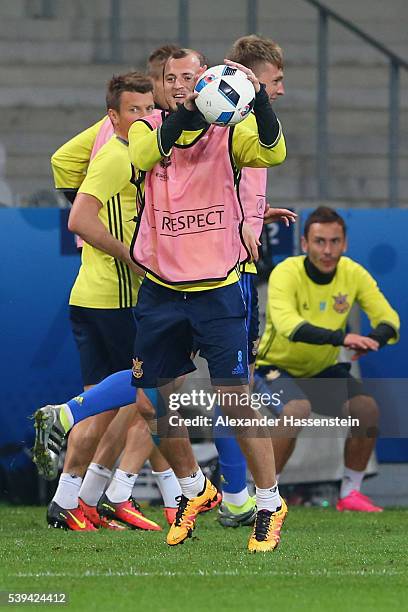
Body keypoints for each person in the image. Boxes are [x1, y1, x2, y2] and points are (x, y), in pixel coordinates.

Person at [34, 47, 288, 552]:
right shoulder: (146, 131)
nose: (180, 84)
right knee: (153, 405)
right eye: (172, 79)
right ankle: (195, 489)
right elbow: (149, 156)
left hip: (218, 286)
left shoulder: (231, 132)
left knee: (236, 400)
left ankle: (268, 502)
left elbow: (272, 151)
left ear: (208, 77)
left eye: (190, 76)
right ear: (161, 85)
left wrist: (258, 101)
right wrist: (193, 112)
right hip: (163, 291)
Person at [36, 72, 165, 531]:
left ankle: (71, 500)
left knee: (111, 403)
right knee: (148, 397)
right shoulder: (117, 155)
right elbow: (78, 219)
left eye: (150, 109)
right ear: (113, 116)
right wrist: (130, 256)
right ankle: (132, 492)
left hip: (93, 295)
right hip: (116, 299)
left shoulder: (131, 151)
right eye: (134, 110)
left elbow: (60, 162)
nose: (145, 118)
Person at [255, 206, 400, 512]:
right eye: (320, 241)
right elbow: (288, 325)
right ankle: (265, 497)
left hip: (321, 370)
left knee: (367, 410)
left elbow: (389, 319)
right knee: (296, 410)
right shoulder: (286, 272)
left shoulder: (353, 273)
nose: (328, 250)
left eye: (335, 241)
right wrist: (342, 338)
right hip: (274, 368)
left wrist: (375, 339)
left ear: (345, 243)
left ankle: (349, 494)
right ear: (305, 244)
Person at [212, 34, 296, 528]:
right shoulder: (235, 120)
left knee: (226, 385)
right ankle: (243, 495)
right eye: (276, 80)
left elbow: (233, 185)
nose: (280, 90)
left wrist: (257, 214)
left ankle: (237, 494)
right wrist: (238, 226)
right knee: (225, 385)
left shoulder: (238, 119)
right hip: (226, 271)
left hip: (230, 264)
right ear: (251, 78)